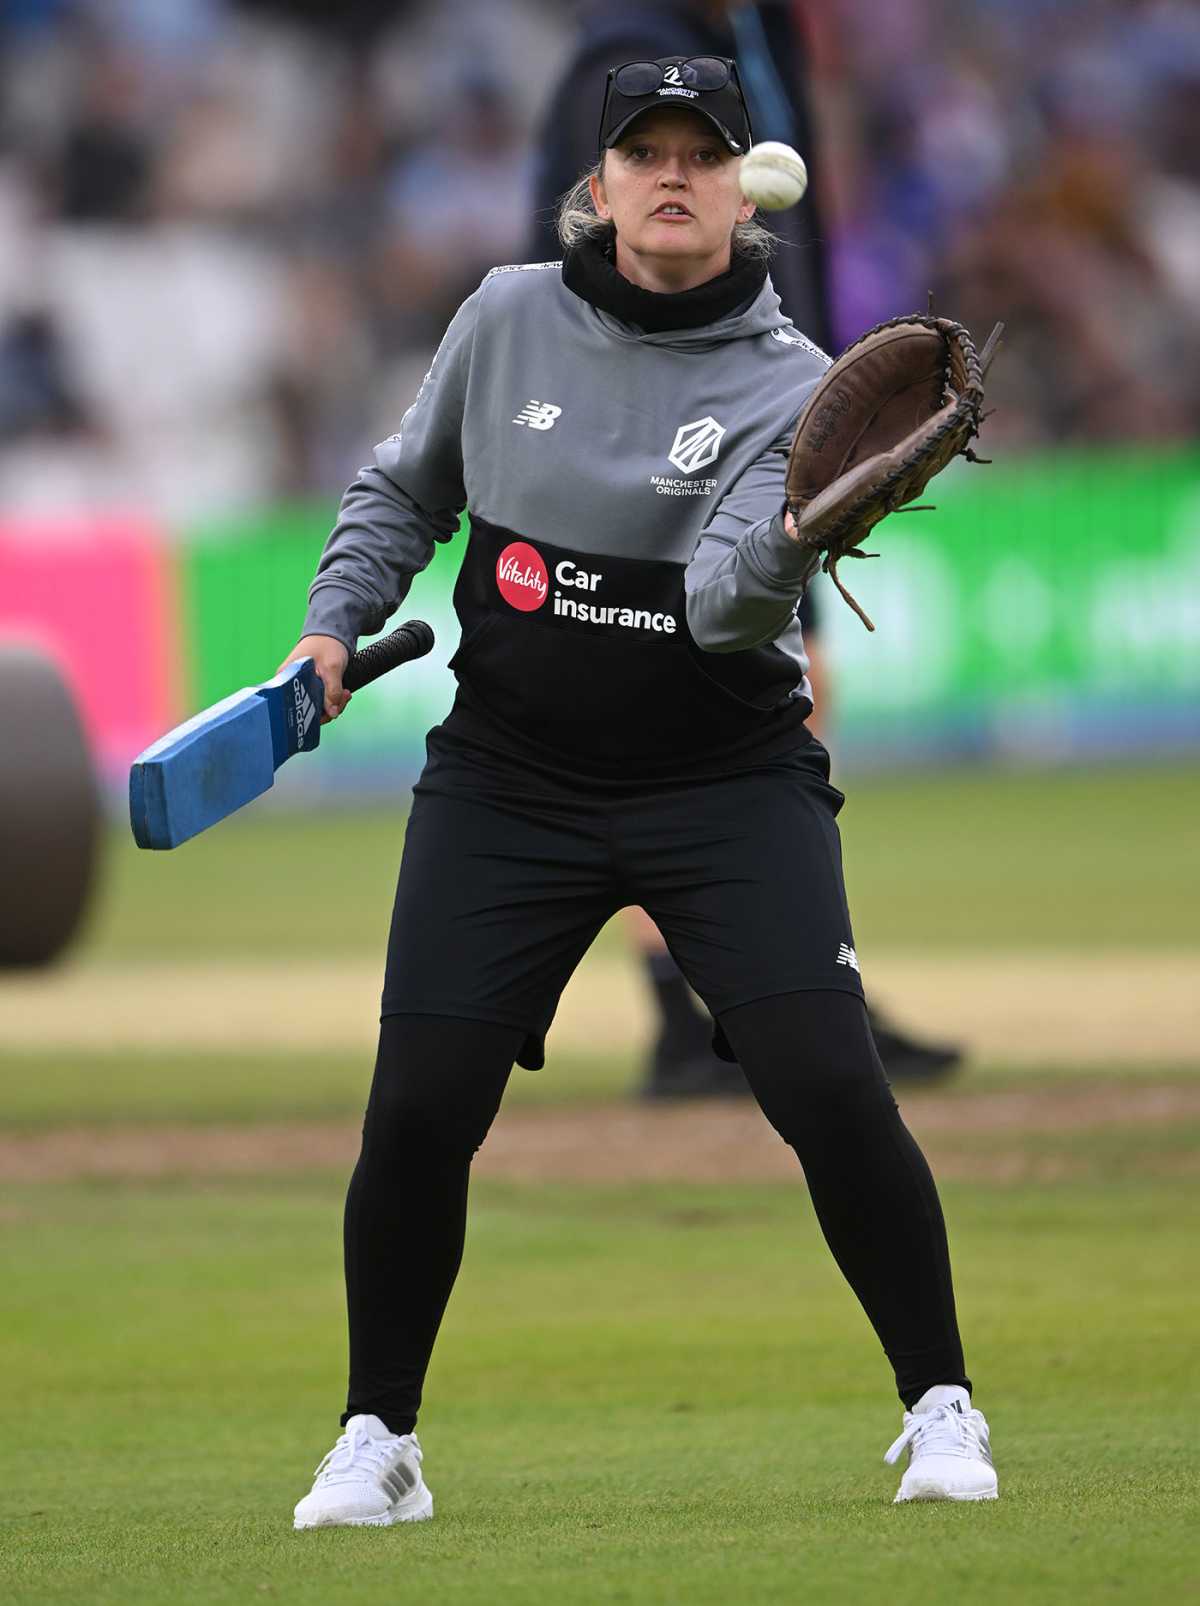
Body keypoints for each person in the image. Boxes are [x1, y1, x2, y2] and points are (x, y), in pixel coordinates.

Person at [287, 56, 998, 1529]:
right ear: (597, 186)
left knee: (824, 1082)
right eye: (645, 152)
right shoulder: (503, 316)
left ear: (746, 189)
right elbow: (403, 490)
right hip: (510, 776)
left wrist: (800, 530)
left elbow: (733, 615)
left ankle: (942, 1405)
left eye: (703, 152)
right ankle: (379, 1439)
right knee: (418, 1106)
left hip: (724, 776)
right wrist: (333, 620)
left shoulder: (797, 384)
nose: (673, 174)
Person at [529, 1, 962, 1099]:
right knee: (664, 718)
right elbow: (587, 247)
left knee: (788, 702)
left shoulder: (757, 36)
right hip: (663, 435)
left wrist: (818, 392)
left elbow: (785, 240)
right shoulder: (626, 55)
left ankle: (791, 990)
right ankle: (696, 1013)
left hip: (763, 417)